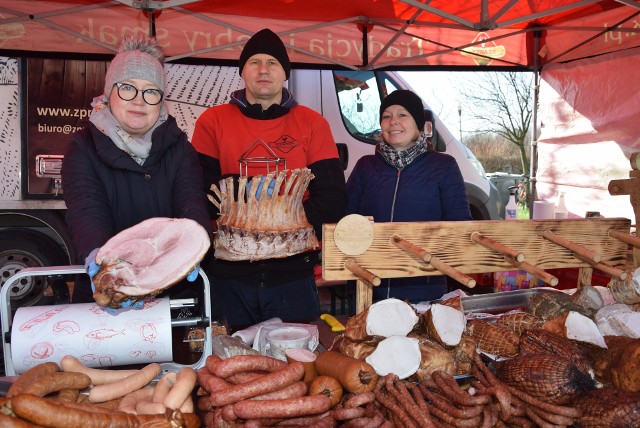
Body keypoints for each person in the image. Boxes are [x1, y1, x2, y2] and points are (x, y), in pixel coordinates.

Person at [191, 28, 347, 329]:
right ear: (243, 71)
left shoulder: (313, 124)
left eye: (273, 63)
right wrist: (271, 216)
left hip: (292, 276)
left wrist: (279, 234)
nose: (264, 70)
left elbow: (332, 198)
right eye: (255, 62)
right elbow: (200, 193)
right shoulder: (213, 121)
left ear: (285, 73)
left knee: (298, 365)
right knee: (227, 362)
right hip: (228, 276)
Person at [62, 35, 212, 306]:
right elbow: (86, 210)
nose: (139, 101)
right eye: (127, 88)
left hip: (172, 295)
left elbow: (192, 203)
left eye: (150, 91)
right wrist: (103, 264)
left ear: (161, 100)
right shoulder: (83, 147)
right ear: (109, 93)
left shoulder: (180, 148)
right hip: (106, 294)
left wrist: (193, 248)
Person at [346, 89, 472, 303]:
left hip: (423, 292)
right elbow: (345, 220)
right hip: (369, 290)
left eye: (402, 115)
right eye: (387, 116)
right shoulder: (365, 167)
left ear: (419, 124)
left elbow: (460, 227)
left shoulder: (443, 166)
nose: (393, 121)